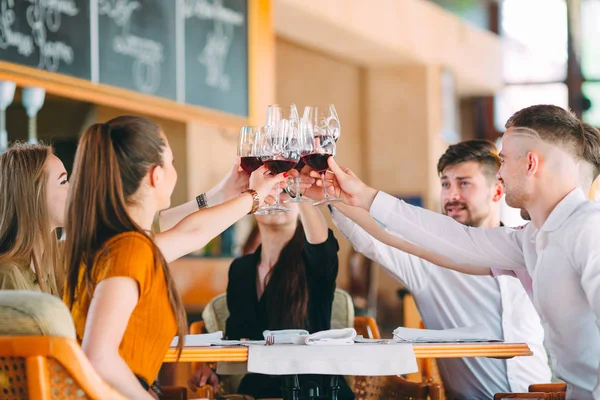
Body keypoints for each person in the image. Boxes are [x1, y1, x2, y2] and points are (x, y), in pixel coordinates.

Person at [311, 105, 600, 399]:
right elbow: (450, 239)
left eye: (503, 160)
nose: (499, 173)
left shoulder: (590, 228)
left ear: (530, 164)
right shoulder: (530, 240)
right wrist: (358, 195)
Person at [63, 116, 285, 399]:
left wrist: (231, 194)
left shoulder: (117, 242)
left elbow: (191, 234)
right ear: (157, 175)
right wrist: (253, 196)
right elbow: (98, 356)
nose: (174, 171)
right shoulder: (130, 248)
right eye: (172, 162)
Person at [327, 140, 550, 399]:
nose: (451, 195)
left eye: (464, 183)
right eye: (445, 184)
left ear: (498, 191)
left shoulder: (526, 247)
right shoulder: (427, 261)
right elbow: (373, 239)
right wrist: (333, 197)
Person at [189, 194, 354, 400]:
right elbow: (236, 337)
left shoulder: (313, 262)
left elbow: (322, 247)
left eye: (286, 191)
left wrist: (300, 191)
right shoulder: (241, 269)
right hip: (260, 390)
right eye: (271, 189)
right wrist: (213, 372)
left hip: (315, 389)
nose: (277, 197)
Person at [0, 143, 68, 294]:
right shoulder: (8, 275)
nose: (72, 189)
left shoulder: (49, 261)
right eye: (63, 182)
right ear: (34, 195)